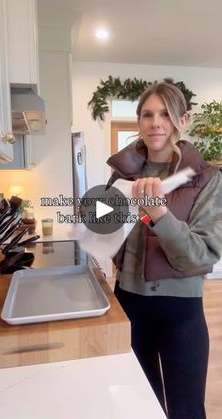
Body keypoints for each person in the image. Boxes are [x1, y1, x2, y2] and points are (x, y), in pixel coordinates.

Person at [106, 82, 222, 419]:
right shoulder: (120, 175)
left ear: (181, 120)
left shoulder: (207, 179)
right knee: (138, 406)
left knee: (186, 411)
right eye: (148, 114)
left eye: (166, 114)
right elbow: (102, 228)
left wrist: (159, 214)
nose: (156, 122)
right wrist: (93, 215)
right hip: (127, 305)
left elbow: (201, 254)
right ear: (139, 121)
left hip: (180, 313)